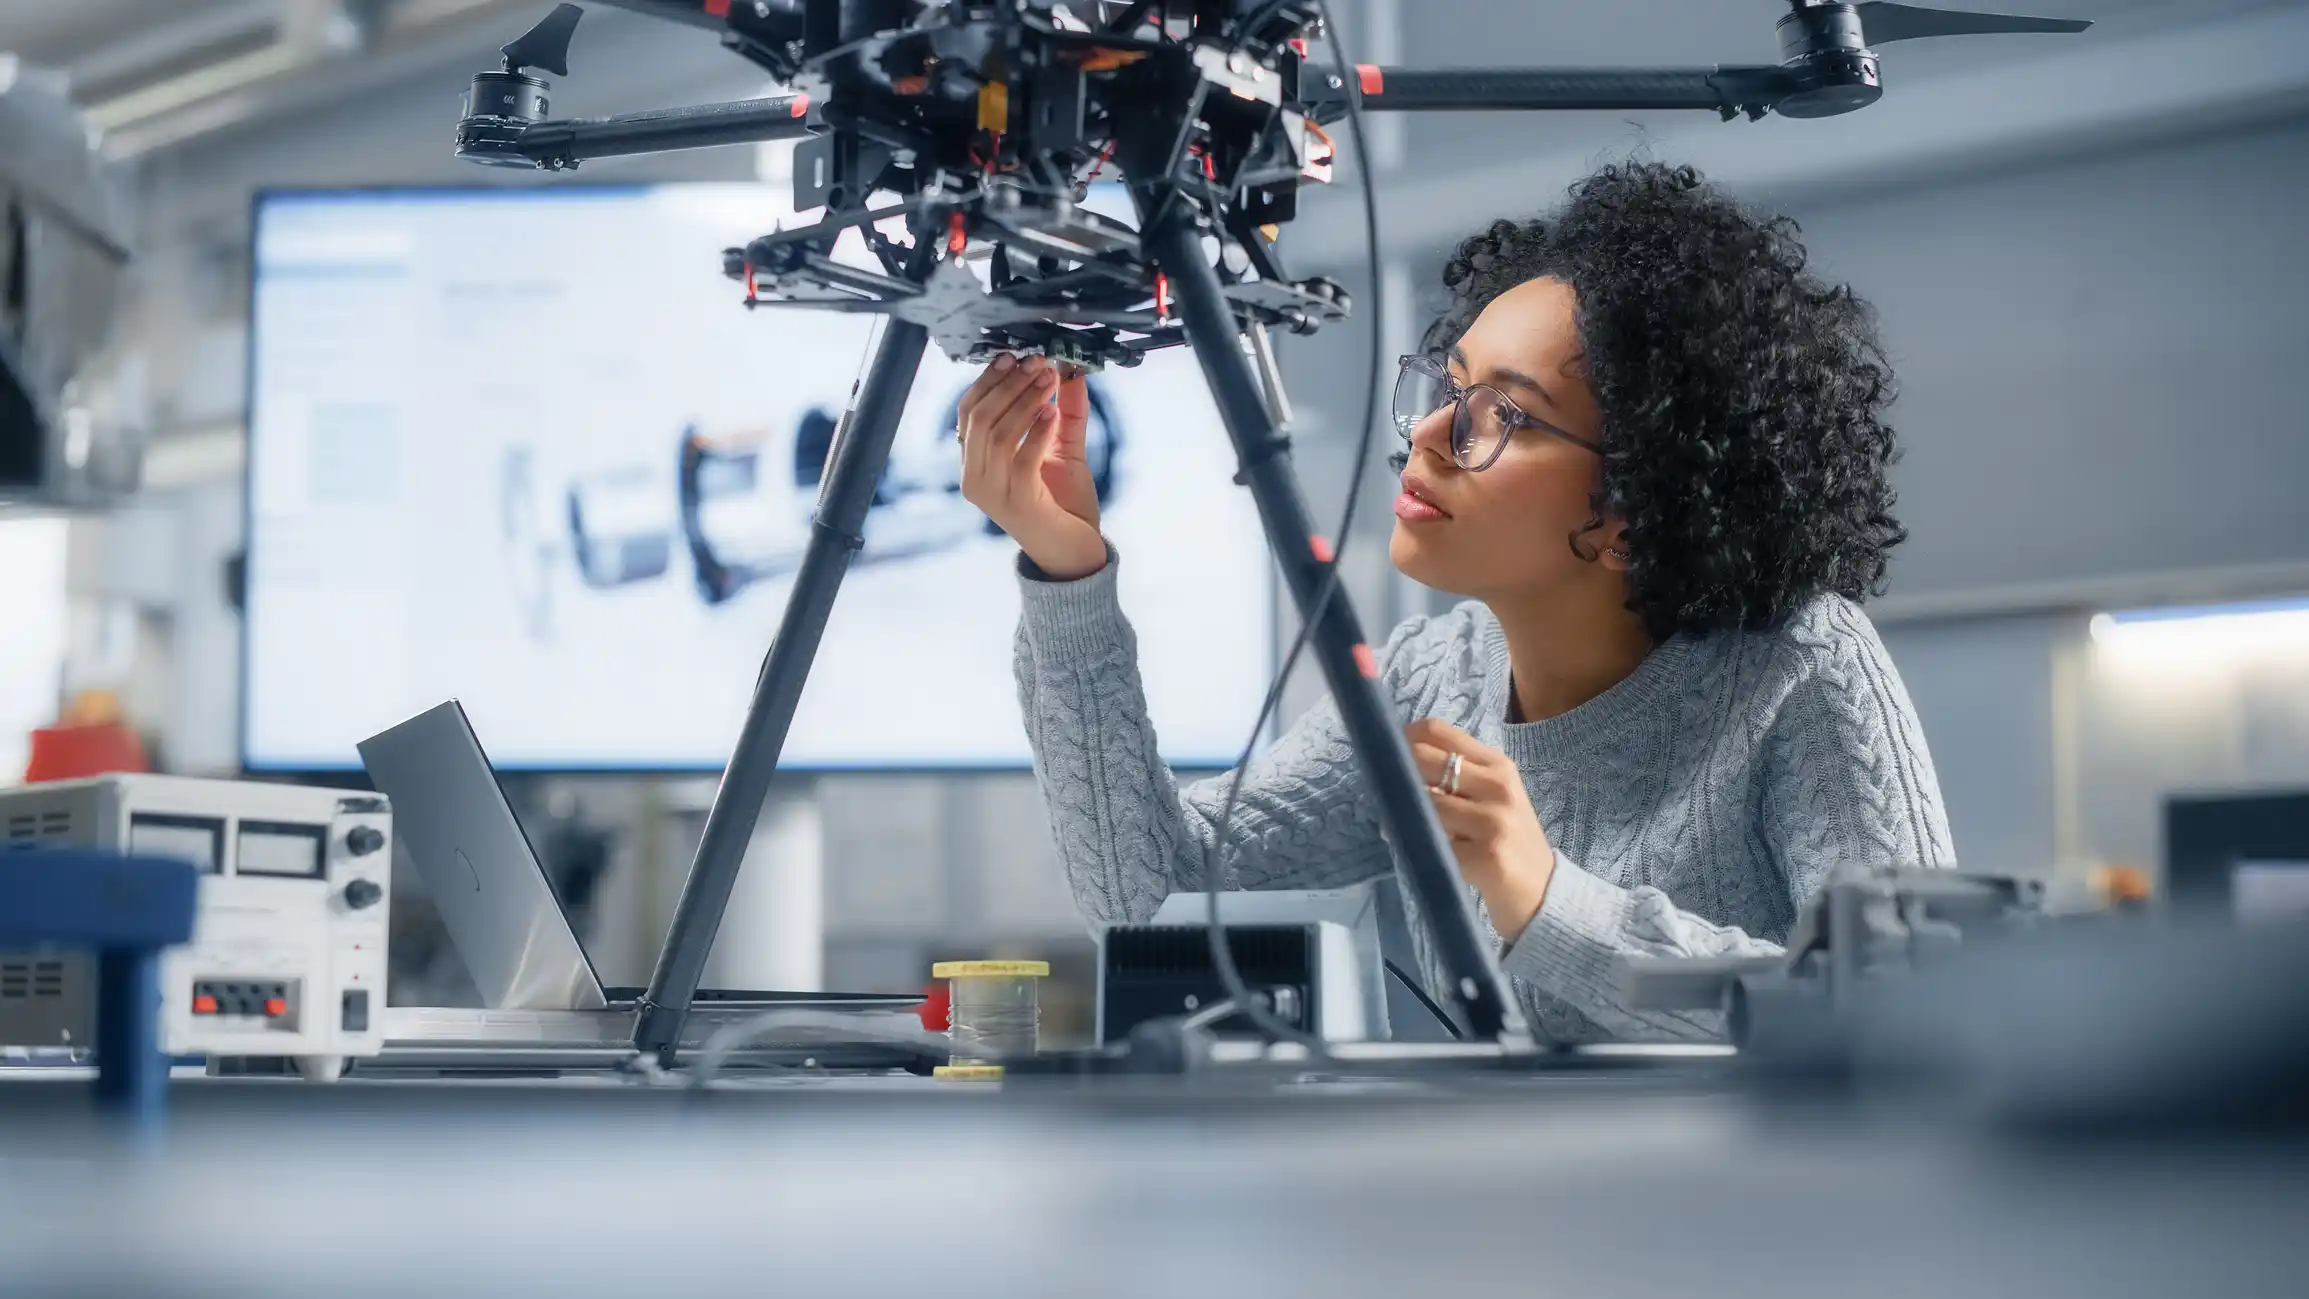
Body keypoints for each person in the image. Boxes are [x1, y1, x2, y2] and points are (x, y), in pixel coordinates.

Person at [956, 161, 1953, 1042]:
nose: (1427, 433)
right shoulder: (1433, 679)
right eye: (1449, 385)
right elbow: (1147, 890)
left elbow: (1908, 1012)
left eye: (1500, 417)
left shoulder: (1799, 664)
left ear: (1633, 512)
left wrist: (1548, 905)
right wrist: (1066, 573)